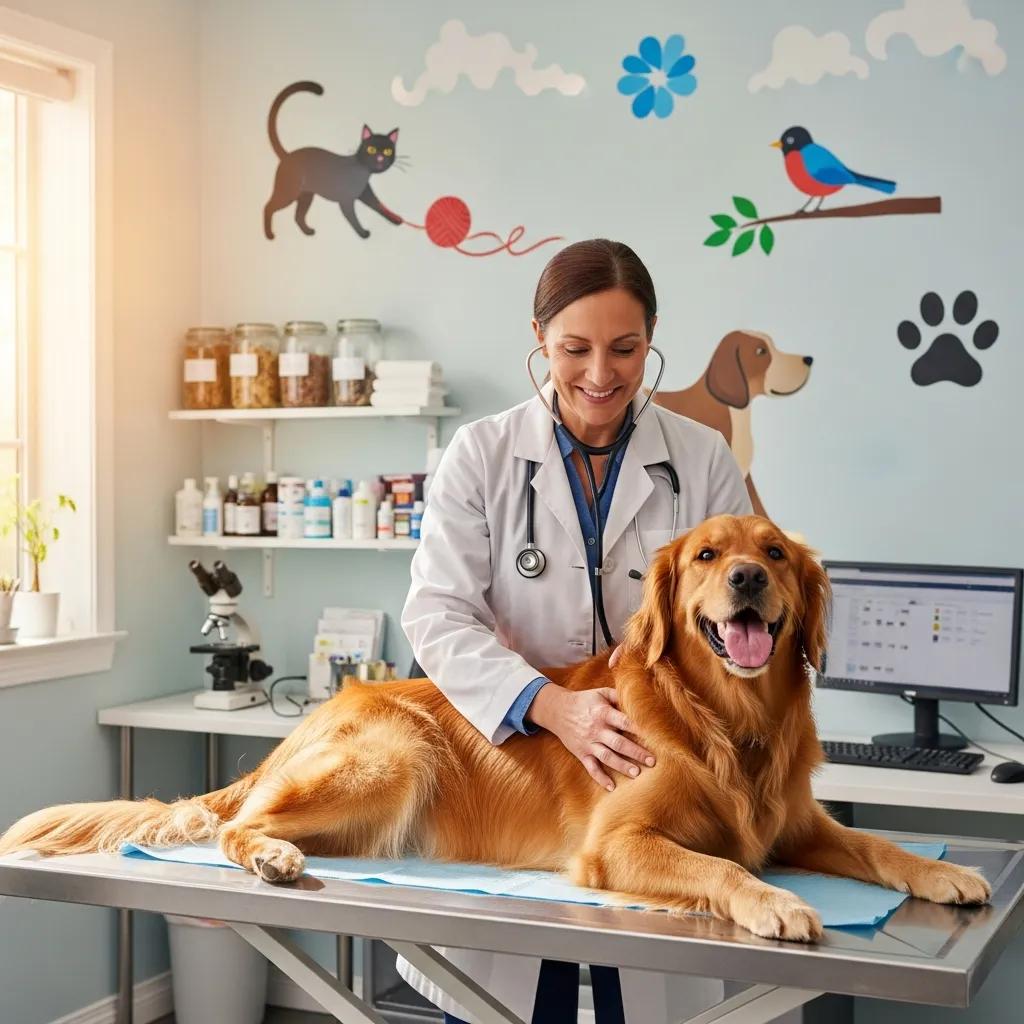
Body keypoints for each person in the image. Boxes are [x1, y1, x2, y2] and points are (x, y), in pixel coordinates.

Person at [399, 239, 753, 1023]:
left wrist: (674, 648)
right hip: (521, 761)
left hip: (656, 758)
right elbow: (437, 611)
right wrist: (555, 706)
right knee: (512, 999)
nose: (601, 374)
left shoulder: (702, 458)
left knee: (652, 986)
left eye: (625, 348)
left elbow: (735, 602)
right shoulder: (483, 454)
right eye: (575, 349)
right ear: (539, 339)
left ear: (652, 339)